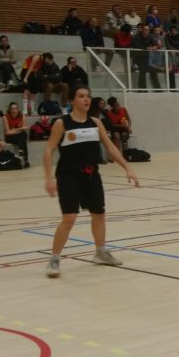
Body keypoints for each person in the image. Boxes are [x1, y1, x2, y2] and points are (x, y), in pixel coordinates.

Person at [42, 86, 139, 278]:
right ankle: (54, 259)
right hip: (68, 175)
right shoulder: (62, 123)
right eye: (81, 96)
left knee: (99, 214)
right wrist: (48, 178)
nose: (86, 99)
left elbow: (110, 147)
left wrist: (127, 168)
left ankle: (100, 252)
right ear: (72, 100)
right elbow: (49, 150)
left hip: (91, 174)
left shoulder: (96, 122)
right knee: (69, 218)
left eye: (88, 96)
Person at [2, 101, 30, 166]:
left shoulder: (22, 116)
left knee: (23, 135)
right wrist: (19, 129)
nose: (14, 110)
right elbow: (7, 132)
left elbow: (24, 129)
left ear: (18, 109)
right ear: (10, 110)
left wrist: (15, 130)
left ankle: (21, 153)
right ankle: (25, 160)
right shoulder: (5, 117)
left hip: (19, 136)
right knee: (23, 137)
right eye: (12, 109)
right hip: (9, 137)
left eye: (16, 108)